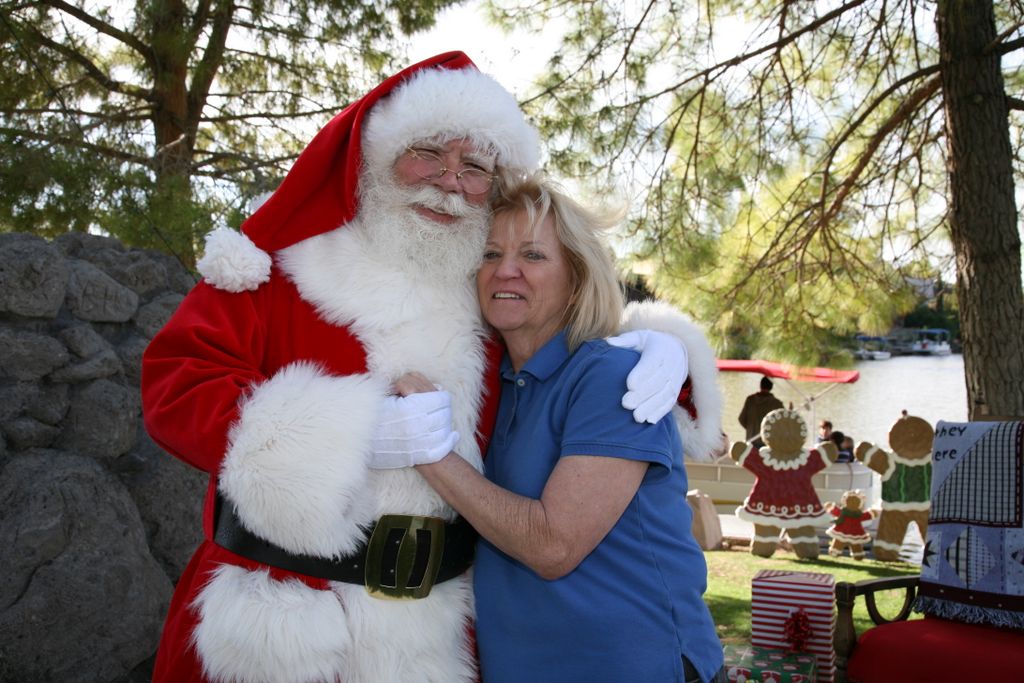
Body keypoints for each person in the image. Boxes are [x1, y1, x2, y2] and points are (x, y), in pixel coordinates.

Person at [141, 53, 721, 683]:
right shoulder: (282, 271)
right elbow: (176, 385)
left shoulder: (485, 295)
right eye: (427, 154)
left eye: (474, 166)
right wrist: (354, 433)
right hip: (279, 621)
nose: (449, 181)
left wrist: (659, 345)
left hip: (436, 634)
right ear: (375, 159)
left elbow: (570, 348)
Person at [383, 178, 725, 683]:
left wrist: (430, 452)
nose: (505, 269)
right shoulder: (497, 385)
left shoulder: (611, 378)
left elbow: (552, 546)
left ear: (577, 277)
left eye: (534, 255)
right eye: (491, 252)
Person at [737, 375, 784, 446]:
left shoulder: (750, 400)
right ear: (771, 387)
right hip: (768, 444)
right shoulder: (777, 404)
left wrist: (751, 429)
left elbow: (741, 419)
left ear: (760, 385)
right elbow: (784, 424)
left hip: (751, 441)